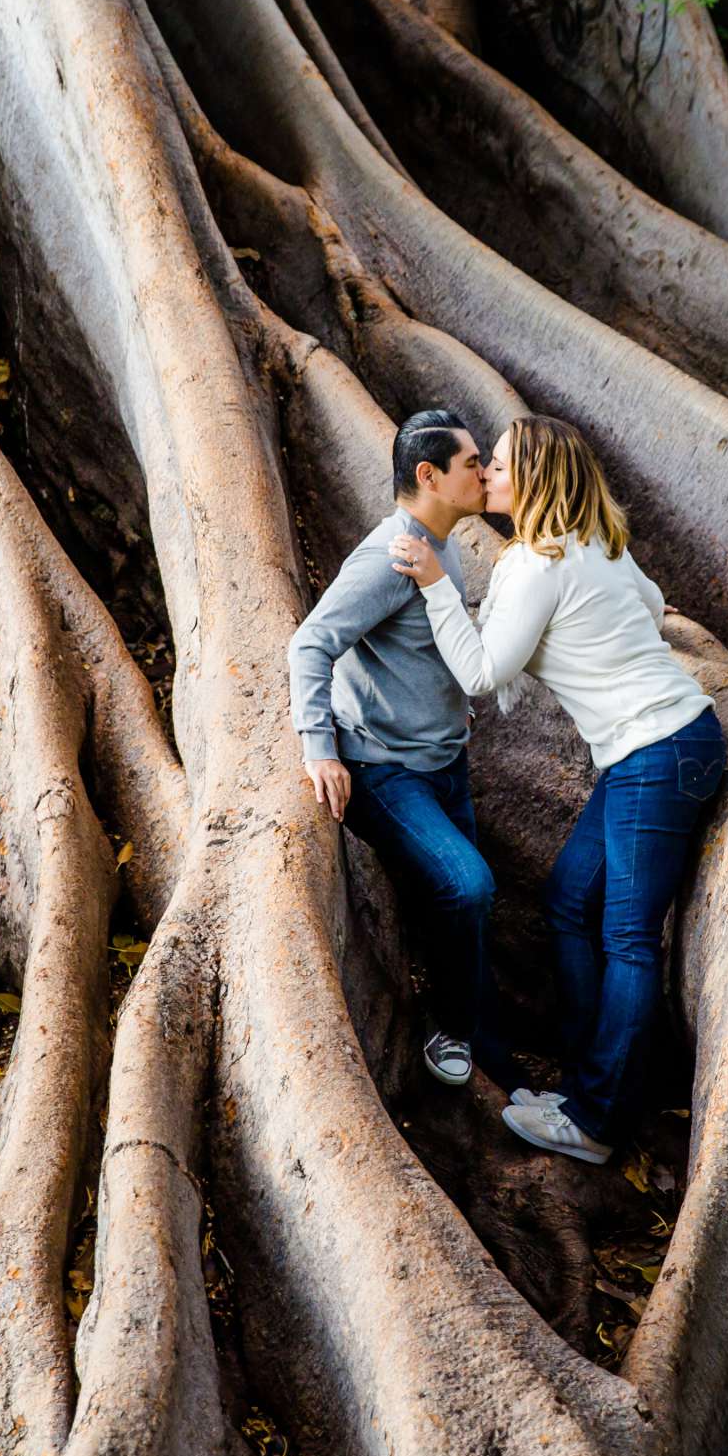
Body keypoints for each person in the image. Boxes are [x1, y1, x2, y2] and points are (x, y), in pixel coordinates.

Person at [390, 414, 724, 1166]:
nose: (488, 477)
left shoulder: (539, 566)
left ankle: (599, 1122)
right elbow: (650, 603)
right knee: (571, 900)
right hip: (666, 748)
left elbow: (481, 673)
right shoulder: (596, 543)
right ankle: (583, 1086)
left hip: (656, 753)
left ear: (535, 479)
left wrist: (441, 587)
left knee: (629, 939)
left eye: (501, 466)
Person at [287, 409, 496, 1088]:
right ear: (430, 475)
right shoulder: (390, 557)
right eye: (473, 463)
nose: (486, 472)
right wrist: (321, 748)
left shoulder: (442, 544)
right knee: (467, 886)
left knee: (463, 900)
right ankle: (450, 1030)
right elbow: (311, 643)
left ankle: (481, 1026)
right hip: (385, 770)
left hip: (445, 761)